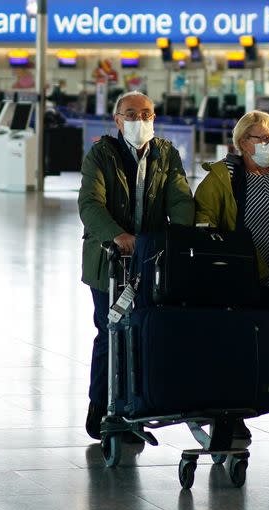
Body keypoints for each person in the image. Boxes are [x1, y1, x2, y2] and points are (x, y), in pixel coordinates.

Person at [194, 110, 269, 452]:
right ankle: (233, 420)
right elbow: (203, 219)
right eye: (261, 138)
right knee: (238, 352)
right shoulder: (222, 177)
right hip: (241, 282)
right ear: (241, 142)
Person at [78, 91, 195, 439]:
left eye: (146, 114)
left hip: (150, 261)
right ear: (117, 120)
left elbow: (178, 195)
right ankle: (101, 406)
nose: (139, 121)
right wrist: (117, 235)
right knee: (109, 332)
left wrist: (186, 233)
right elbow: (90, 203)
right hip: (108, 261)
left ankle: (136, 407)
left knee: (144, 333)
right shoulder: (101, 154)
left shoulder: (165, 153)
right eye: (131, 114)